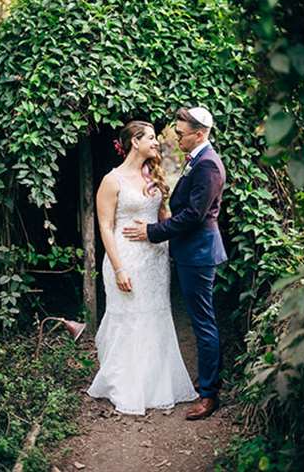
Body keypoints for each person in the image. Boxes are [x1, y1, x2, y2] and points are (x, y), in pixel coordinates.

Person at [123, 107, 227, 420]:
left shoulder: (208, 165)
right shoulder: (199, 160)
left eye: (181, 133)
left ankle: (209, 395)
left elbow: (194, 217)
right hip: (190, 252)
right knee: (201, 319)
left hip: (198, 254)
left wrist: (152, 231)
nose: (177, 137)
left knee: (203, 322)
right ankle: (208, 381)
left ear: (199, 133)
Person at [88, 120, 198, 415]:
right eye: (150, 137)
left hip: (156, 261)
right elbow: (105, 226)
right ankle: (127, 386)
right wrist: (119, 267)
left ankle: (156, 385)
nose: (156, 142)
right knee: (129, 317)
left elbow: (163, 217)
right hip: (125, 259)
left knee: (156, 316)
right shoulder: (112, 181)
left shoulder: (153, 177)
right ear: (134, 142)